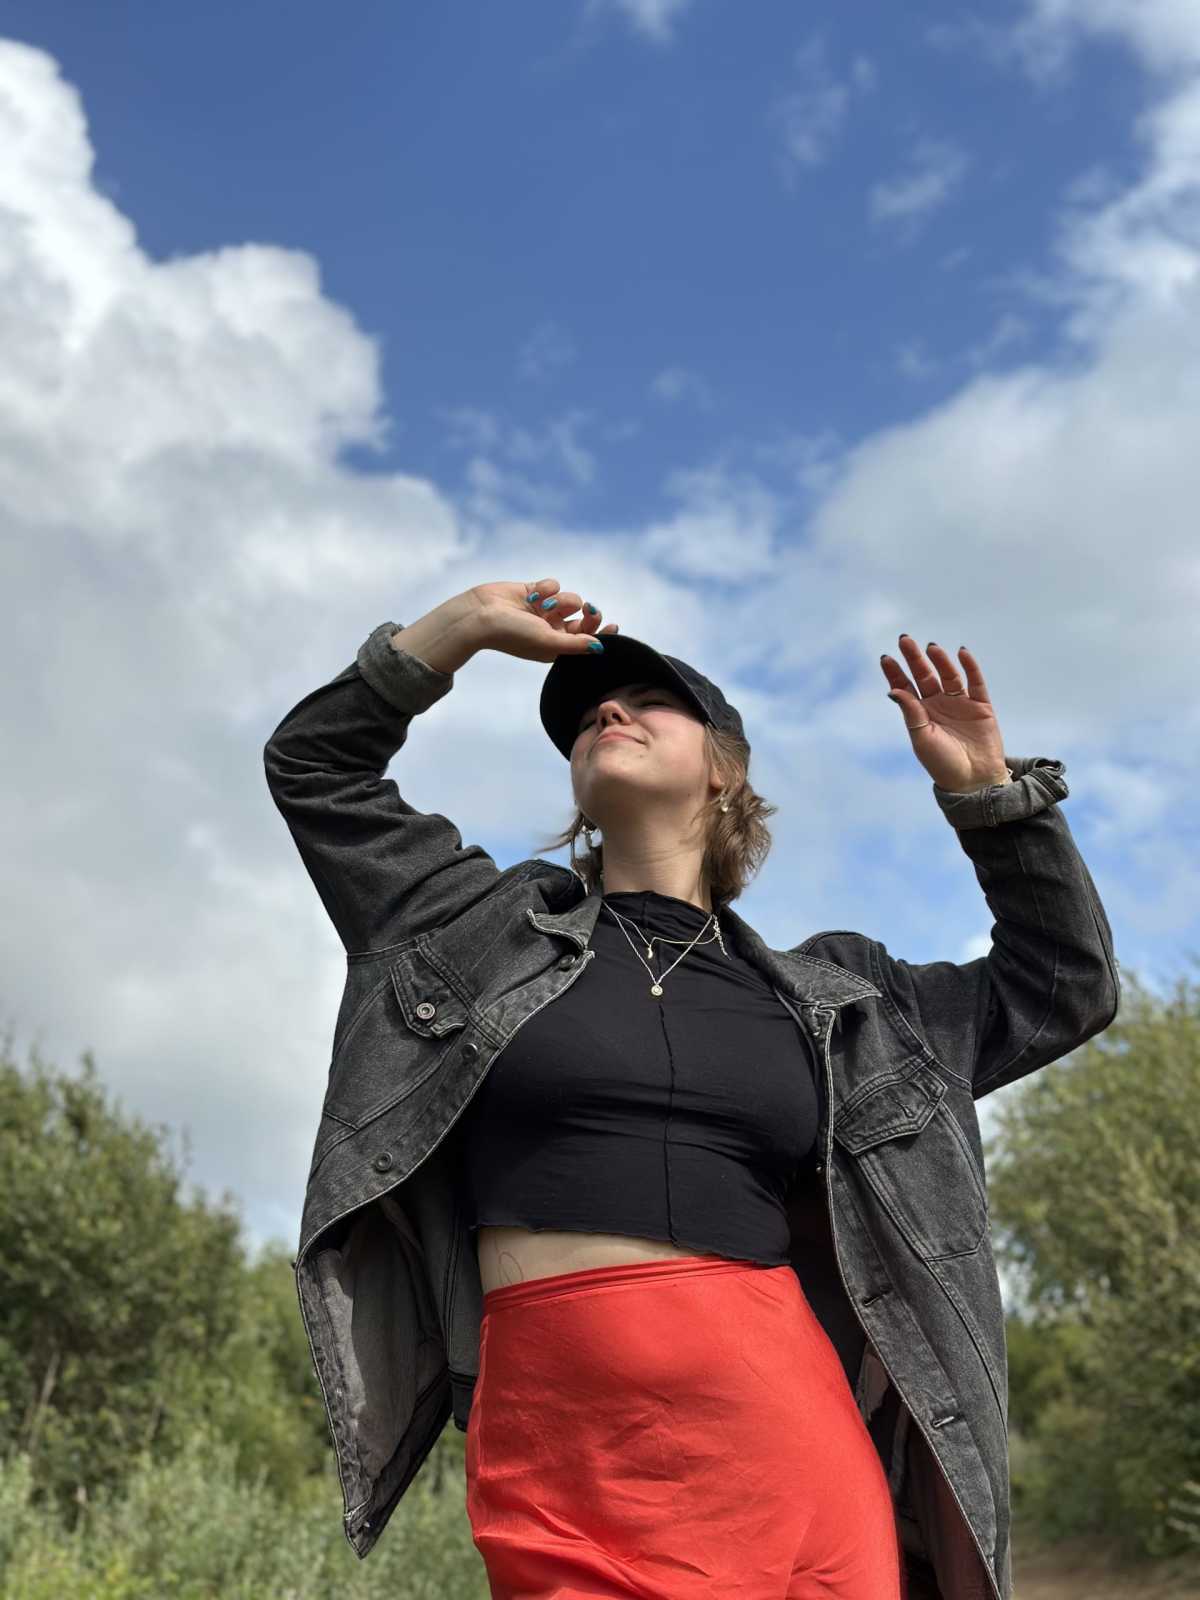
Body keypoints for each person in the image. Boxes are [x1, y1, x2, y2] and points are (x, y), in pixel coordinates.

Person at [263, 579, 1119, 1600]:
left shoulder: (842, 1002)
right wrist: (467, 624)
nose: (606, 712)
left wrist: (990, 802)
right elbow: (316, 768)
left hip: (789, 1442)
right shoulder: (478, 932)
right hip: (564, 1456)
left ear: (724, 772)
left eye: (648, 702)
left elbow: (1062, 987)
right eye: (591, 713)